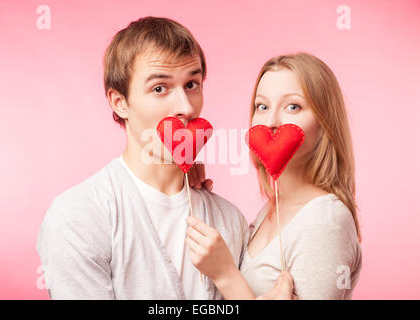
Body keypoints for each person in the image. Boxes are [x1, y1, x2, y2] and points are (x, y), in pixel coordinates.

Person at [36, 16, 293, 300]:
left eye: (192, 84)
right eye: (160, 88)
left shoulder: (229, 221)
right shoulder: (79, 216)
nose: (185, 107)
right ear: (119, 102)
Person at [186, 52, 362, 299]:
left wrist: (225, 274)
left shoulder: (325, 220)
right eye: (262, 106)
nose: (271, 121)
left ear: (324, 123)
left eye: (293, 106)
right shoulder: (269, 213)